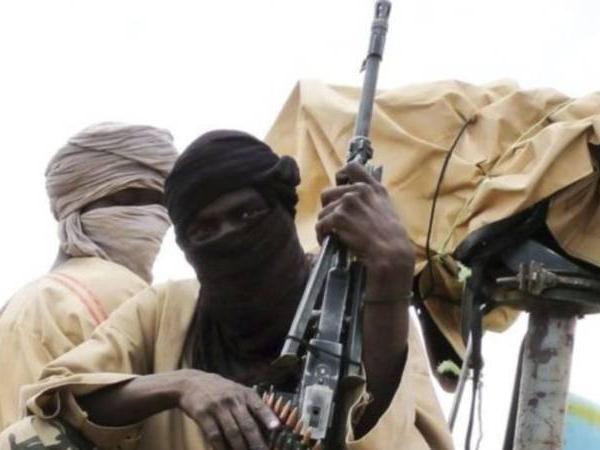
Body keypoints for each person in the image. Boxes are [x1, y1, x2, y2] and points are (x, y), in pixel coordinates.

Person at [1, 130, 453, 450]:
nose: (229, 236)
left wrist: (391, 279)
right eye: (205, 229)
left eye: (246, 215)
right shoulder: (167, 309)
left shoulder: (354, 301)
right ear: (186, 245)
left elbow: (388, 427)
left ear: (283, 211)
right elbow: (57, 402)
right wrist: (183, 385)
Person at [0, 122, 178, 430]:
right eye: (128, 200)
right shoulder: (121, 294)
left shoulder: (22, 306)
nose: (153, 218)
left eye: (161, 205)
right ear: (79, 204)